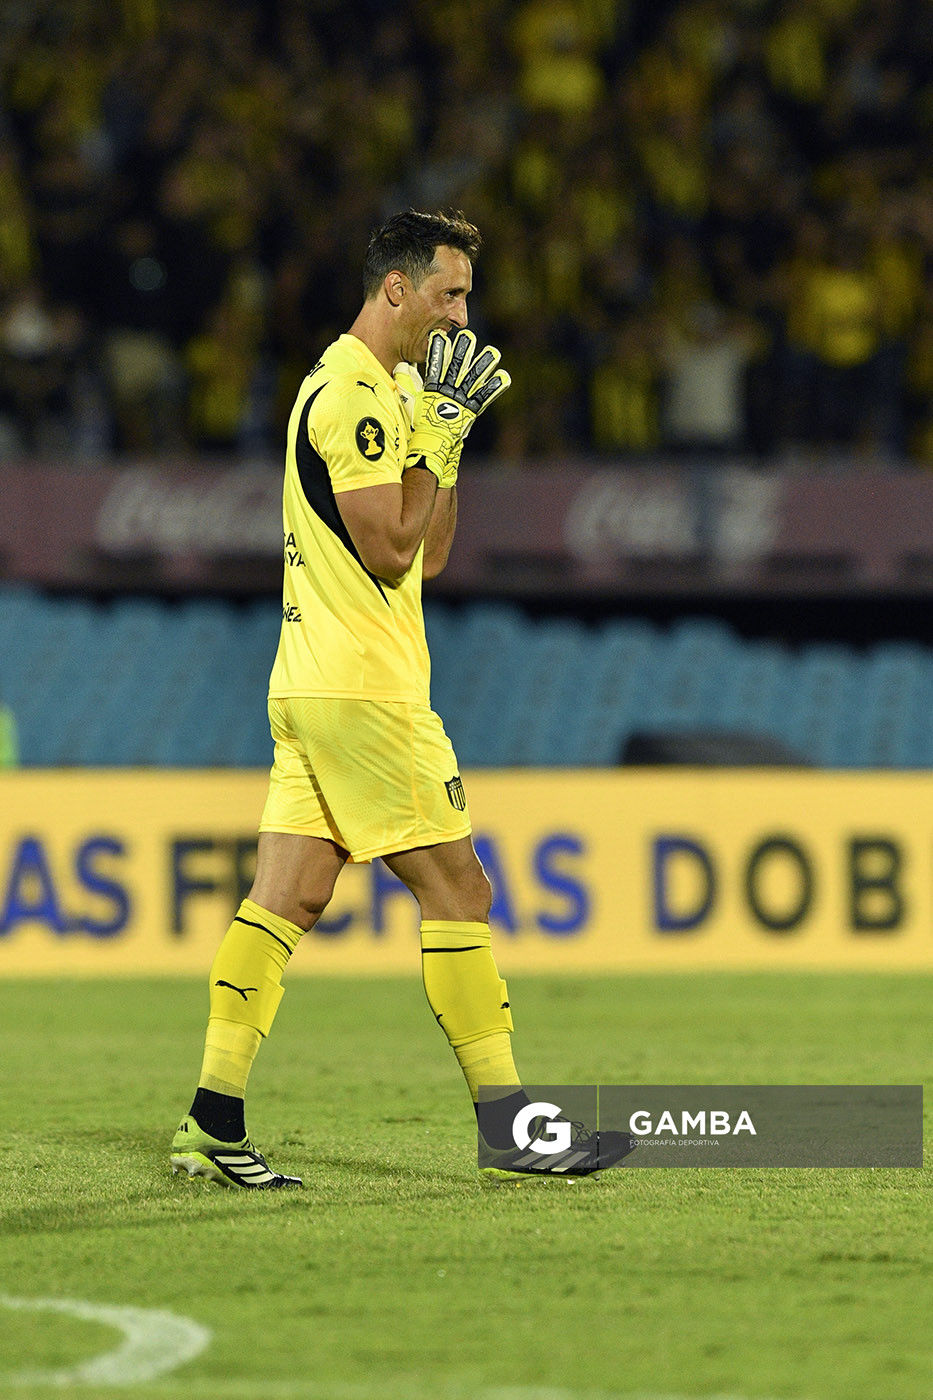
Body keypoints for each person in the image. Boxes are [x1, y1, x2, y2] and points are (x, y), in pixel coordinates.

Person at [170, 209, 633, 1188]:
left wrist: (444, 440)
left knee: (287, 894)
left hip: (313, 684)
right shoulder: (355, 397)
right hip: (367, 691)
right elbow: (386, 551)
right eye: (448, 293)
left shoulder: (390, 392)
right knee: (460, 888)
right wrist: (439, 432)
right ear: (396, 289)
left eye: (467, 294)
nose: (463, 315)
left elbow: (432, 549)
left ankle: (212, 1118)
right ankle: (512, 1126)